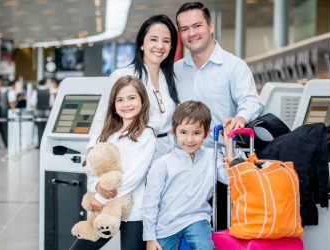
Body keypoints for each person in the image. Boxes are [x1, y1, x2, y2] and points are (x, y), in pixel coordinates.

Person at [70, 75, 157, 250]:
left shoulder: (147, 135)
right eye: (120, 100)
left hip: (134, 213)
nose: (126, 104)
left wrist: (101, 197)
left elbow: (134, 176)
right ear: (113, 105)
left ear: (142, 101)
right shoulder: (107, 133)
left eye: (132, 98)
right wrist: (97, 190)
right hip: (104, 211)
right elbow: (95, 167)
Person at [89, 14, 179, 159]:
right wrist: (92, 150)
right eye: (153, 39)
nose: (160, 46)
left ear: (171, 46)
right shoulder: (123, 75)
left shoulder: (171, 77)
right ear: (142, 43)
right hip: (135, 154)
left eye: (166, 41)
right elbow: (102, 119)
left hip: (168, 155)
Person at [174, 2, 263, 148]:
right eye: (184, 29)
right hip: (183, 159)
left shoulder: (234, 66)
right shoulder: (176, 71)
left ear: (211, 26)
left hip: (221, 157)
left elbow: (251, 101)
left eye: (197, 26)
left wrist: (240, 118)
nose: (191, 33)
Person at [143, 101, 229, 250]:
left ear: (207, 133)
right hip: (166, 224)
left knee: (206, 247)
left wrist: (228, 145)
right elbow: (150, 203)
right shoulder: (162, 164)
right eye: (183, 132)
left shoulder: (212, 156)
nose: (189, 139)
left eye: (197, 133)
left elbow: (229, 179)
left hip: (196, 218)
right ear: (174, 131)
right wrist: (150, 238)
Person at [30, 78, 51, 149]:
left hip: (38, 111)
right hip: (47, 111)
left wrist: (33, 112)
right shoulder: (49, 91)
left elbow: (32, 102)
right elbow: (52, 102)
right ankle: (46, 145)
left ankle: (40, 144)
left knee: (39, 128)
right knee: (46, 129)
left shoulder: (36, 91)